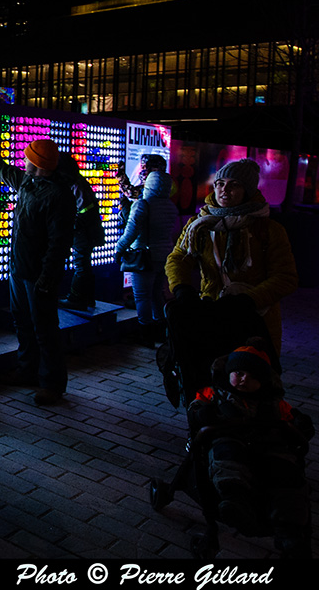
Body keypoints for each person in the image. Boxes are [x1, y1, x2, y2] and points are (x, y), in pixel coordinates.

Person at [0, 138, 75, 405]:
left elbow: (59, 243)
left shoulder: (59, 196)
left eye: (27, 158)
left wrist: (47, 278)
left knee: (45, 328)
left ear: (37, 163)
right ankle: (28, 370)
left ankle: (52, 384)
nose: (23, 161)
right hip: (20, 269)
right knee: (23, 322)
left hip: (39, 275)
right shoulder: (28, 182)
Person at [186, 343, 313, 555]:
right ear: (229, 372)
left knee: (286, 472)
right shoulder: (215, 394)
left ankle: (289, 530)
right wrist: (201, 413)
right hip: (230, 439)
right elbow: (196, 406)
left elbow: (291, 416)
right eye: (239, 373)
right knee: (228, 456)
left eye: (252, 377)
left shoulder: (273, 402)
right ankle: (236, 501)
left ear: (263, 382)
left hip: (269, 446)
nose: (244, 379)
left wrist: (301, 423)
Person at [165, 158, 298, 354]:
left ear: (248, 190)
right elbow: (178, 258)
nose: (224, 190)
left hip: (255, 318)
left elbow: (285, 277)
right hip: (211, 313)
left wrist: (248, 300)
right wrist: (182, 289)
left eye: (234, 185)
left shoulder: (268, 229)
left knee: (248, 370)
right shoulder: (199, 225)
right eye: (220, 183)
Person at [115, 170, 179, 347]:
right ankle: (161, 332)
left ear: (150, 184)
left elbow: (131, 232)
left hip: (145, 257)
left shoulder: (143, 204)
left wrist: (118, 249)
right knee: (157, 294)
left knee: (142, 297)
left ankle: (146, 335)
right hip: (165, 256)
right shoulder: (170, 206)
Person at [57, 154, 105, 311]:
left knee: (81, 264)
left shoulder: (75, 184)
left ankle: (76, 298)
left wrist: (70, 224)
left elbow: (83, 209)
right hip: (88, 230)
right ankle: (88, 298)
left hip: (84, 231)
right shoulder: (79, 181)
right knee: (84, 264)